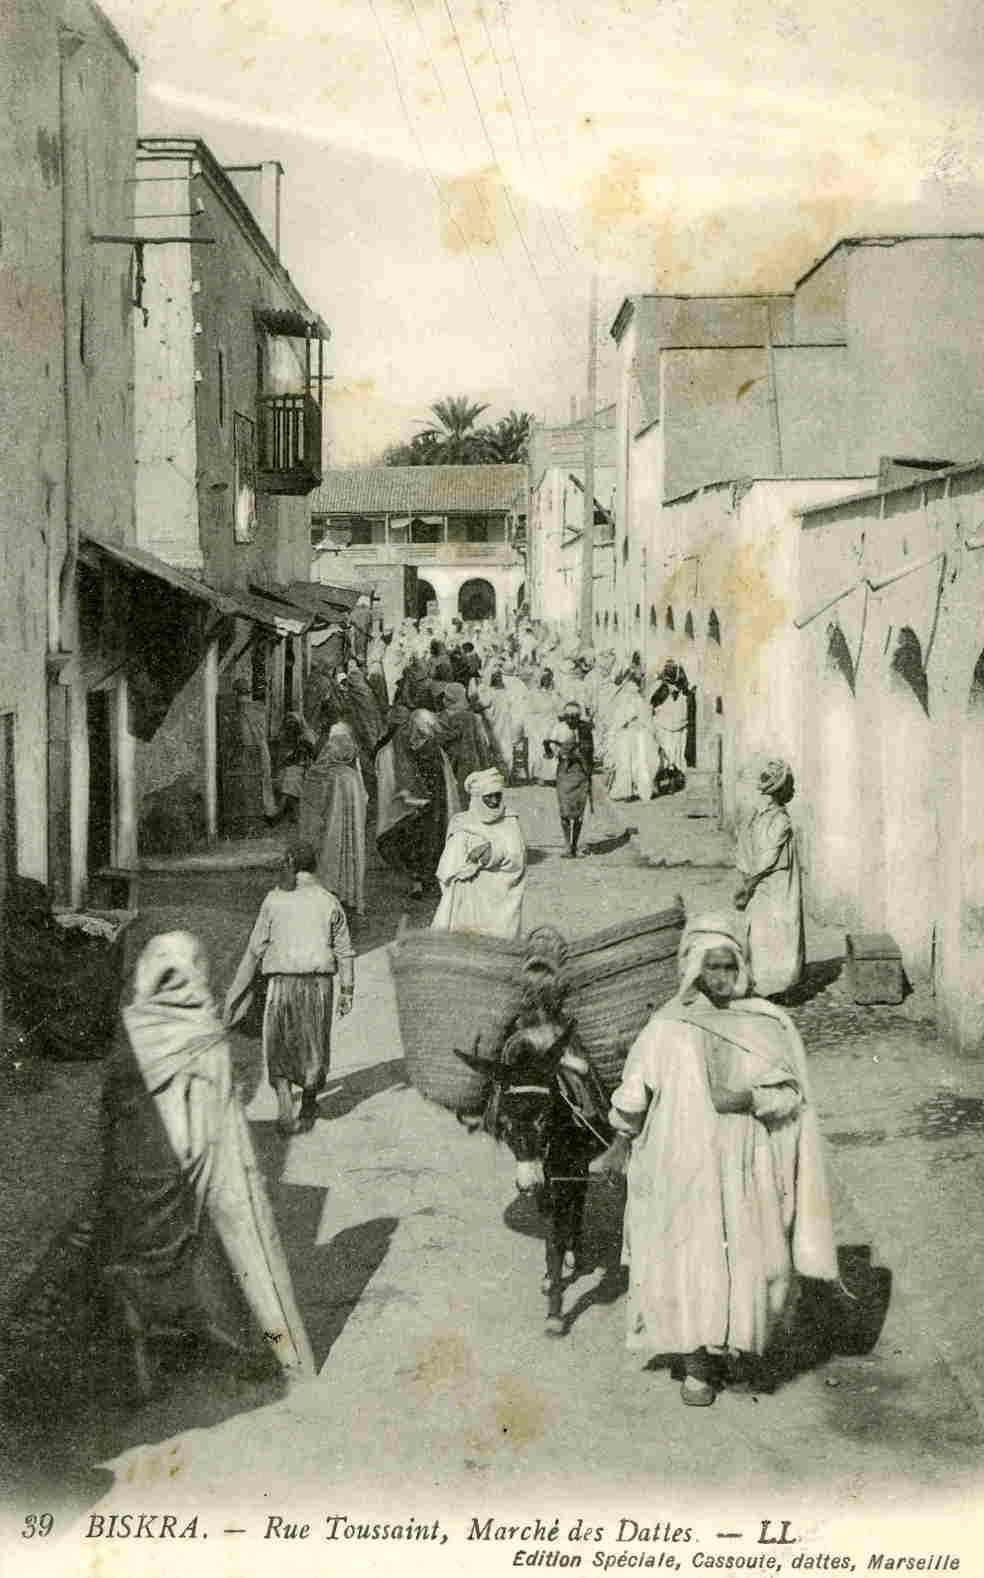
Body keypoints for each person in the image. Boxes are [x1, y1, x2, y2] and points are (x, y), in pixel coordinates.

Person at [591, 913, 837, 1406]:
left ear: (742, 966)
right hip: (680, 1165)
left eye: (729, 965)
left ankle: (739, 1346)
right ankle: (698, 1364)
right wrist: (620, 1140)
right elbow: (634, 1093)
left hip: (746, 1163)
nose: (721, 976)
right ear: (693, 970)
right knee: (690, 1255)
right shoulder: (665, 1028)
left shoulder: (766, 1023)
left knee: (752, 1254)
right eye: (712, 966)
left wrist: (748, 1099)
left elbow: (791, 1096)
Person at [101, 933, 313, 1399]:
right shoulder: (204, 1041)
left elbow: (112, 1125)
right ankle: (278, 1345)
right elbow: (225, 1142)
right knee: (246, 1243)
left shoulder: (130, 1035)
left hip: (134, 1208)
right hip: (184, 1195)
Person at [225, 841, 355, 1136]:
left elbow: (256, 946)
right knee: (314, 1046)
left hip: (281, 983)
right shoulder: (329, 901)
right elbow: (345, 951)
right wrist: (347, 991)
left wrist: (240, 991)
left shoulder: (274, 900)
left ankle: (285, 1103)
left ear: (291, 865)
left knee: (279, 1044)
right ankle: (308, 1103)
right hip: (318, 986)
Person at [735, 759, 805, 997]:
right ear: (780, 790)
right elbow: (767, 856)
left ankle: (771, 984)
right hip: (774, 882)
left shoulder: (758, 817)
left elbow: (745, 849)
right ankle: (775, 984)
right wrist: (749, 883)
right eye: (790, 787)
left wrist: (747, 880)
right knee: (777, 929)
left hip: (763, 881)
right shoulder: (779, 820)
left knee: (766, 929)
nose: (793, 791)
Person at [432, 767, 527, 939]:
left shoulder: (510, 820)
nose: (494, 801)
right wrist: (468, 865)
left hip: (501, 892)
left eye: (497, 795)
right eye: (488, 797)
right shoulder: (461, 822)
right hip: (468, 892)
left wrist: (491, 850)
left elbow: (517, 857)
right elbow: (449, 865)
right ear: (477, 799)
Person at [375, 707, 459, 899]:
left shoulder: (427, 748)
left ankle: (422, 880)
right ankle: (419, 881)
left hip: (429, 806)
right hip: (416, 807)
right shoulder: (397, 749)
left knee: (427, 841)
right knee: (417, 841)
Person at [298, 723, 368, 915]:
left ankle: (328, 895)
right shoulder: (352, 776)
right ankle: (349, 896)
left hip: (329, 829)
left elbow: (313, 803)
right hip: (351, 831)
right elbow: (364, 800)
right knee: (350, 856)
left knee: (330, 857)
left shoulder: (325, 775)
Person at [545, 701, 594, 859]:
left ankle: (575, 845)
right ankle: (567, 846)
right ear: (564, 717)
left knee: (579, 812)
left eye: (575, 717)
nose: (572, 720)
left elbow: (590, 752)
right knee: (565, 812)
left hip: (581, 773)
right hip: (565, 773)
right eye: (569, 717)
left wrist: (581, 756)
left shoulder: (585, 729)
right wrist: (550, 747)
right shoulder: (558, 729)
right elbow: (551, 753)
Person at [607, 675, 656, 802]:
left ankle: (639, 790)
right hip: (625, 736)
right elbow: (618, 720)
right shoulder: (623, 702)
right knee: (624, 764)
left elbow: (646, 720)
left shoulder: (640, 701)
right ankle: (625, 791)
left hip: (638, 736)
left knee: (639, 764)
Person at [270, 711, 317, 825]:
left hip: (306, 767)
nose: (291, 726)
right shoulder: (287, 736)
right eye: (289, 723)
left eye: (294, 723)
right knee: (287, 777)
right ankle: (295, 815)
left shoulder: (307, 734)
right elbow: (286, 757)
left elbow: (313, 754)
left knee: (290, 779)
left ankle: (278, 813)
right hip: (293, 766)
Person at [526, 669, 559, 785]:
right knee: (539, 749)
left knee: (552, 747)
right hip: (538, 724)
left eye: (549, 678)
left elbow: (558, 708)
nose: (547, 681)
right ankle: (539, 775)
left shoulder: (554, 693)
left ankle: (552, 775)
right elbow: (530, 710)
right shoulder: (534, 693)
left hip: (552, 722)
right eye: (544, 678)